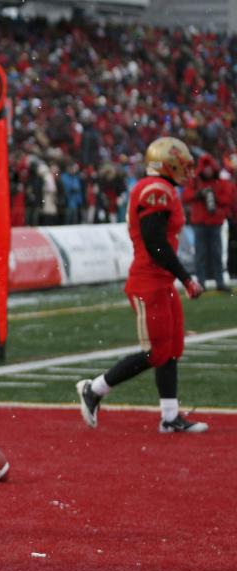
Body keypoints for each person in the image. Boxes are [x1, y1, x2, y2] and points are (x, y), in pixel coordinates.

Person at [77, 137, 208, 433]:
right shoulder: (156, 191)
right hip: (148, 281)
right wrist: (186, 277)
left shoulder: (160, 188)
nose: (185, 171)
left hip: (160, 281)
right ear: (166, 163)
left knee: (172, 349)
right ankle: (95, 389)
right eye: (181, 164)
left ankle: (170, 417)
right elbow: (155, 243)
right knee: (157, 352)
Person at [182, 154, 233, 293]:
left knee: (216, 253)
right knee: (201, 254)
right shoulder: (195, 182)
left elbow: (227, 199)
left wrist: (213, 196)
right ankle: (202, 283)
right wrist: (199, 194)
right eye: (205, 168)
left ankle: (219, 282)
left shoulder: (220, 182)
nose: (208, 171)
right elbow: (185, 196)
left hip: (214, 222)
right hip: (200, 223)